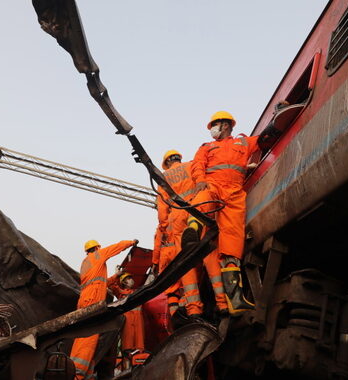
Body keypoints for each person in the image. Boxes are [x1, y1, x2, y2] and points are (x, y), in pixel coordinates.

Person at [183, 111, 259, 316]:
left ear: (225, 125)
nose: (212, 130)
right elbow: (198, 165)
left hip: (234, 193)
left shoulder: (244, 143)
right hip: (213, 184)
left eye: (214, 125)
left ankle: (235, 299)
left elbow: (266, 138)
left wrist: (279, 113)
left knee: (232, 245)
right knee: (203, 198)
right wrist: (200, 180)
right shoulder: (207, 147)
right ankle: (192, 230)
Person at [70, 239, 138, 380]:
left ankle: (85, 373)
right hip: (93, 299)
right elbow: (115, 247)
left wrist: (117, 276)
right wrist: (131, 242)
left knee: (84, 335)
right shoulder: (98, 255)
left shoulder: (86, 263)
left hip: (85, 298)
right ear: (97, 248)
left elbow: (103, 282)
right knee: (89, 337)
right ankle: (78, 374)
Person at [152, 150, 204, 321]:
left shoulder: (164, 177)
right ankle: (220, 302)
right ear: (179, 158)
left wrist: (164, 225)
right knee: (205, 254)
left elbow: (162, 208)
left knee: (185, 262)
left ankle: (192, 310)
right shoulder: (191, 165)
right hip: (199, 209)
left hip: (178, 216)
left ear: (166, 163)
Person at [107, 271, 145, 361]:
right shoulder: (121, 293)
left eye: (131, 278)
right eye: (128, 278)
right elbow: (109, 284)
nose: (131, 280)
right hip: (128, 326)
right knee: (127, 351)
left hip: (138, 327)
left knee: (140, 351)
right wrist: (117, 275)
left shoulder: (137, 292)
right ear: (123, 282)